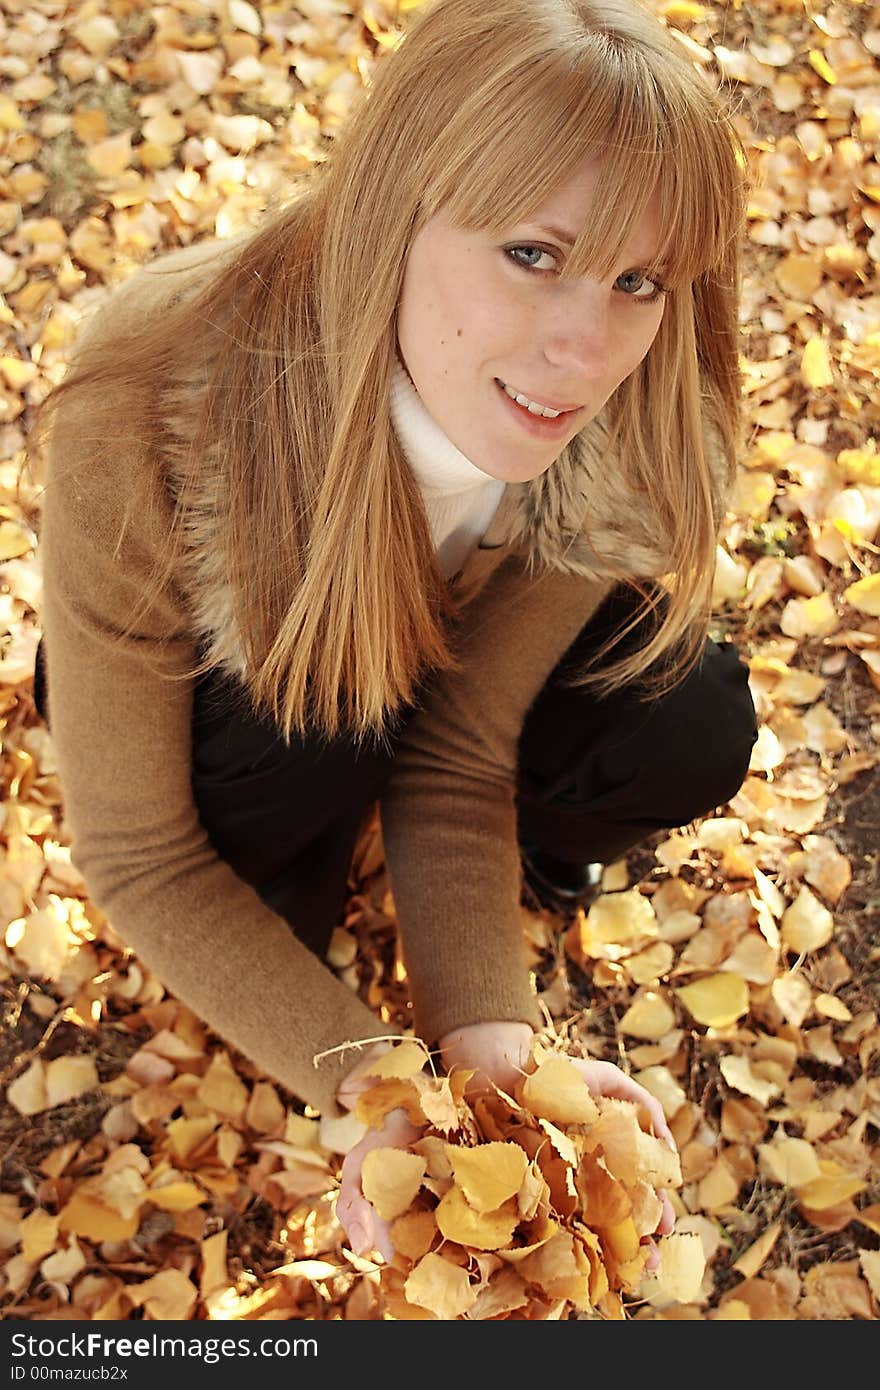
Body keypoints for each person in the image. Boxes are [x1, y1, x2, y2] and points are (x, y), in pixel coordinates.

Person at [31, 0, 757, 1268]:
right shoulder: (151, 402)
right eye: (533, 252)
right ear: (395, 206)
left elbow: (459, 756)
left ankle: (519, 841)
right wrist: (377, 1089)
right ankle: (294, 860)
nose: (585, 351)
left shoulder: (624, 414)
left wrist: (490, 1049)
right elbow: (141, 857)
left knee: (689, 718)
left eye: (637, 279)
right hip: (225, 712)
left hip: (418, 685)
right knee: (312, 739)